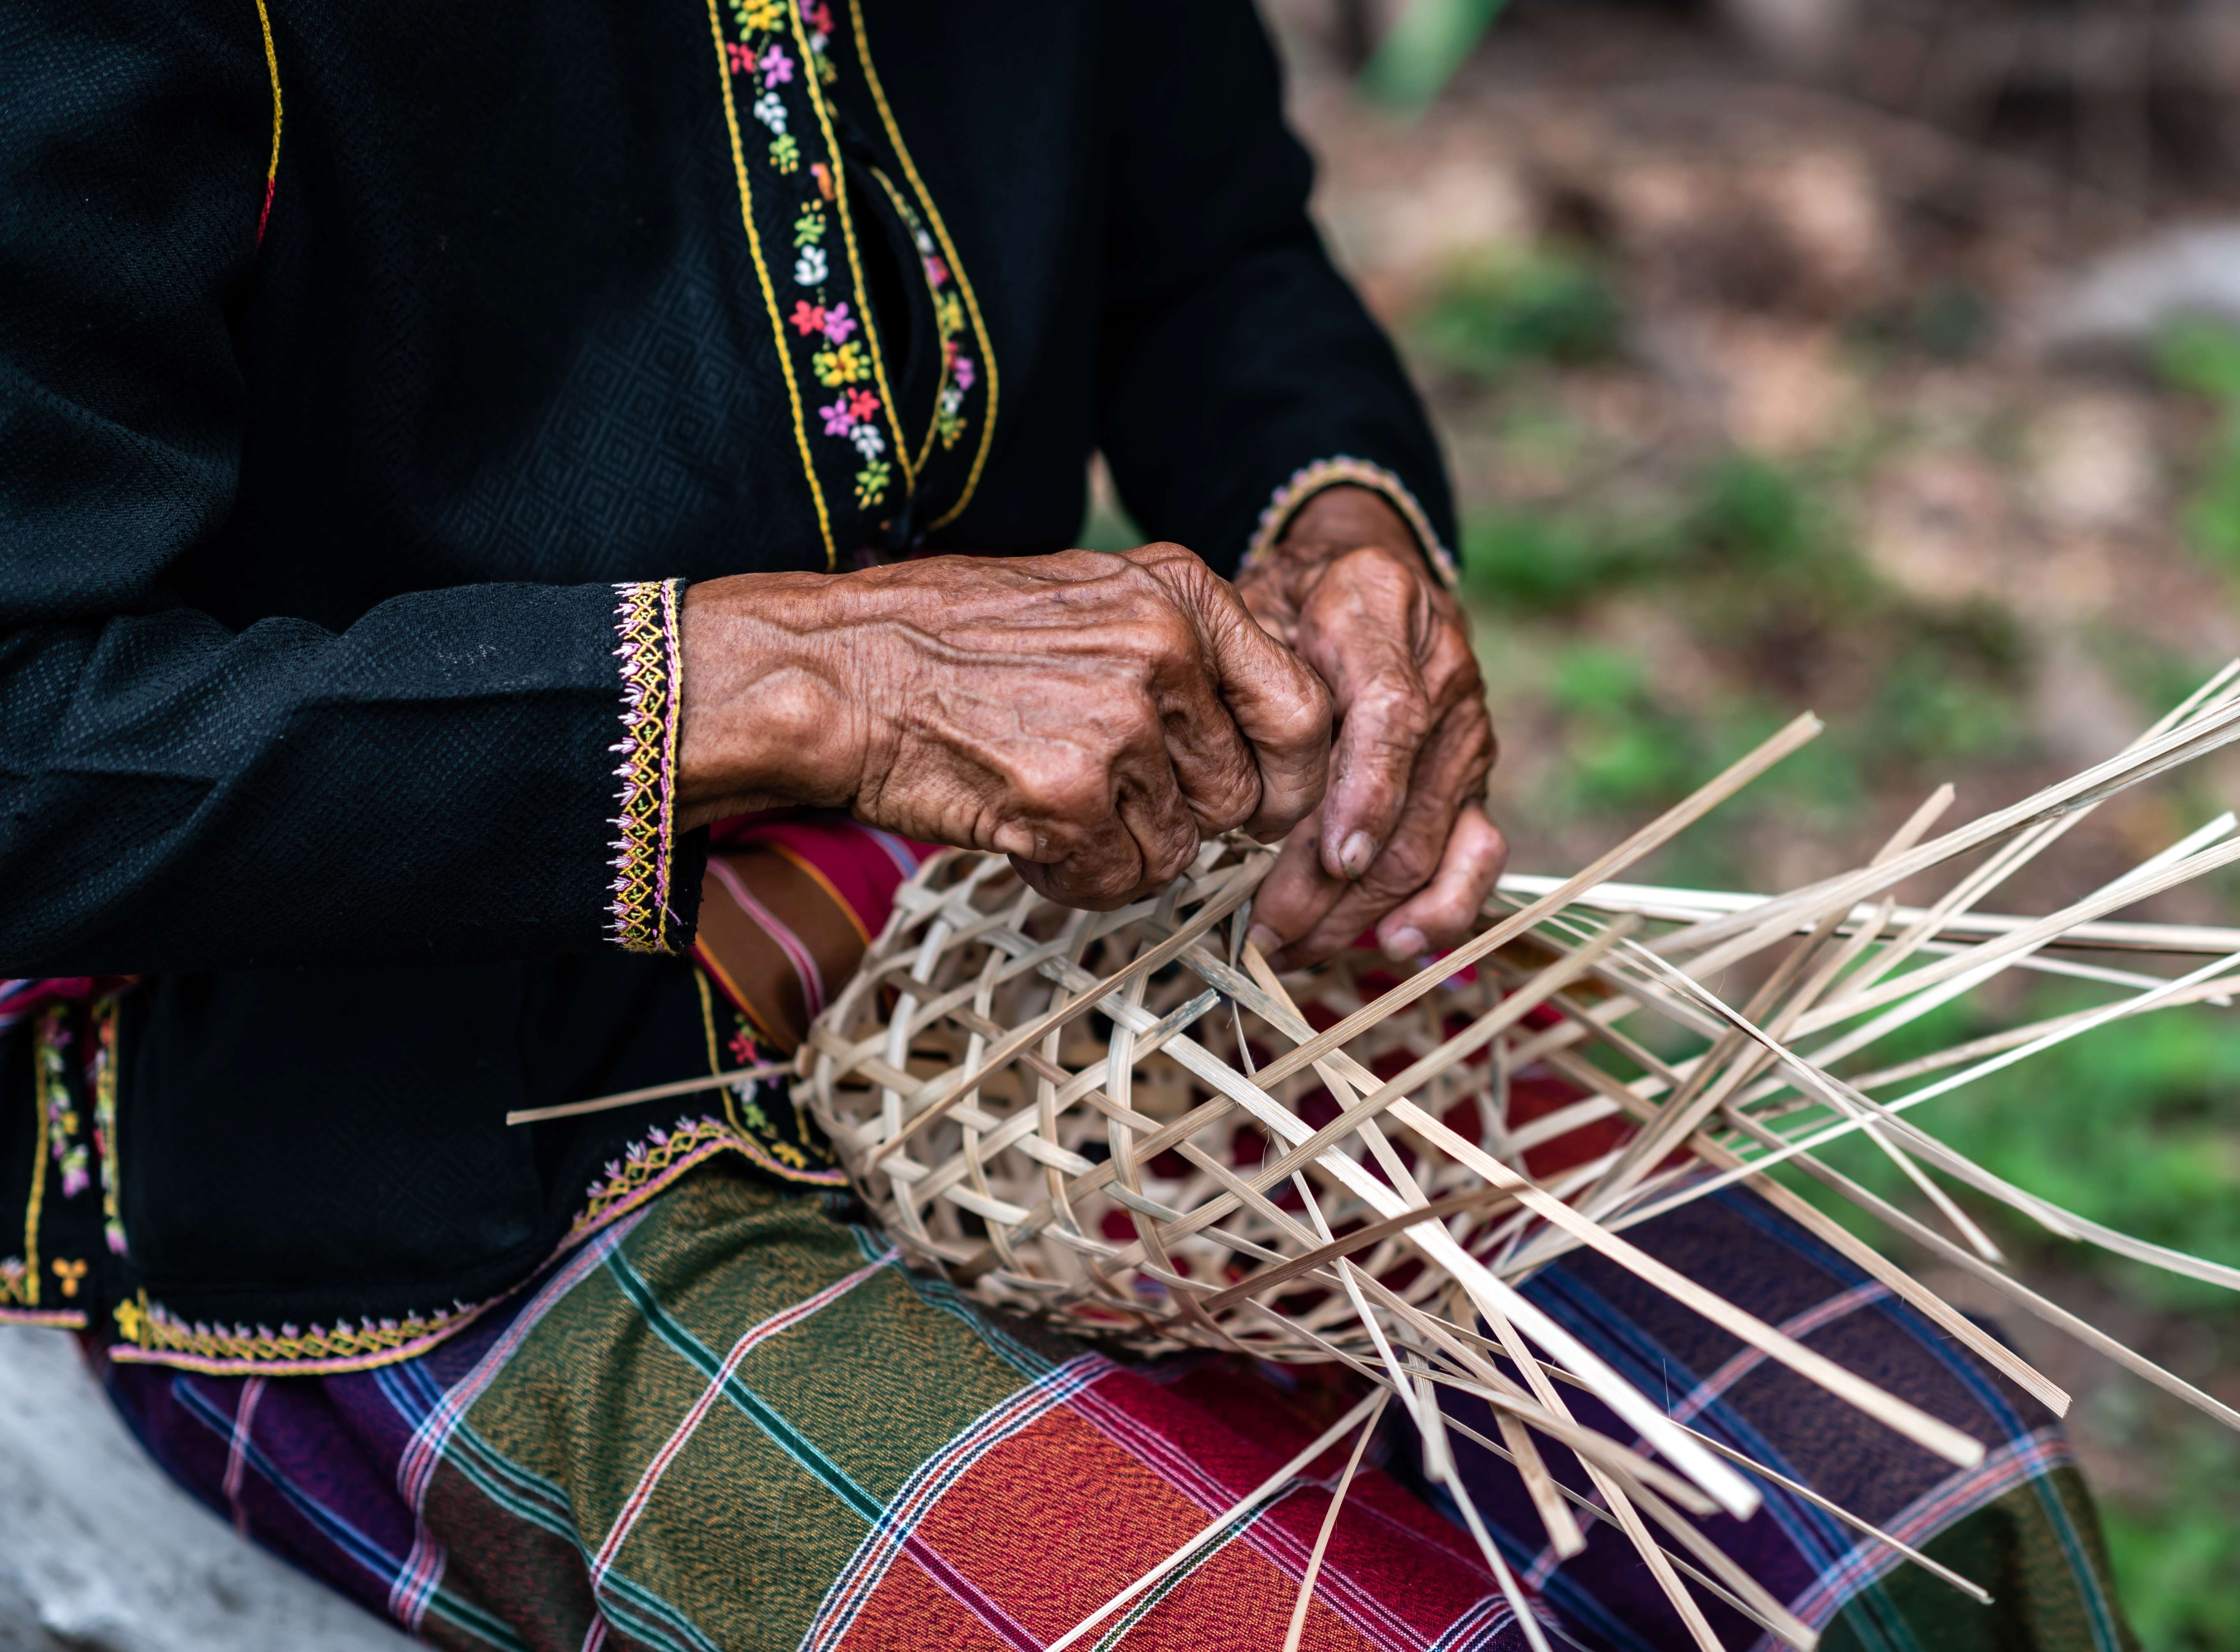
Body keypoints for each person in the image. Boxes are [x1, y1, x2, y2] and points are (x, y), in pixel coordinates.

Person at [0, 1, 2129, 1646]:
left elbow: (1210, 256)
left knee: (1924, 1510)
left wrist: (1345, 524)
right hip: (383, 1115)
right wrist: (805, 682)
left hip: (1030, 943)